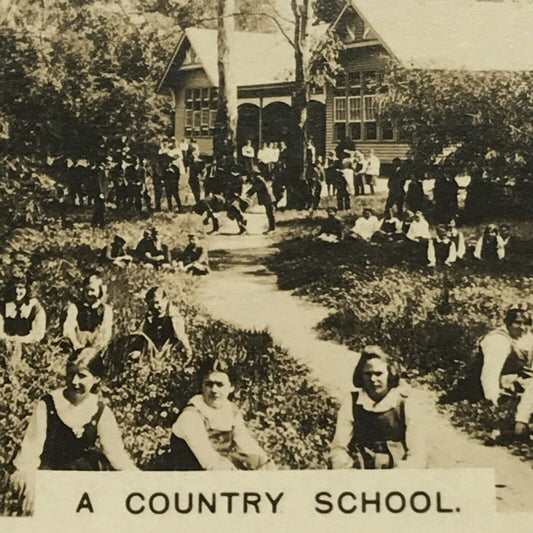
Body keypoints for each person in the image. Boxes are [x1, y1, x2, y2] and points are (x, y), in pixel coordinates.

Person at [12, 348, 137, 512]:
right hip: (52, 476)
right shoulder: (48, 405)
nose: (74, 381)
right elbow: (30, 450)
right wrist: (30, 479)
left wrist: (137, 477)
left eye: (82, 376)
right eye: (71, 374)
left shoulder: (100, 410)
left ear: (96, 379)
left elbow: (116, 455)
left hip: (85, 479)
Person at [328, 346, 425, 469]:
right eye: (367, 374)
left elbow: (417, 453)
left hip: (396, 473)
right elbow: (339, 447)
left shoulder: (404, 403)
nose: (373, 379)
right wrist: (348, 470)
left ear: (390, 373)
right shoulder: (352, 402)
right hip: (358, 471)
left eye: (378, 374)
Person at [169, 358, 274, 470]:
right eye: (209, 384)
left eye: (220, 385)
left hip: (219, 468)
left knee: (261, 463)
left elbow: (245, 442)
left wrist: (264, 462)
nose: (214, 390)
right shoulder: (191, 416)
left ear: (231, 388)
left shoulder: (230, 411)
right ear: (202, 386)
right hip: (193, 473)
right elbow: (207, 458)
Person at [475, 305, 533, 405]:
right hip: (502, 384)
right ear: (508, 323)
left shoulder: (526, 335)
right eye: (517, 323)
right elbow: (490, 374)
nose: (523, 327)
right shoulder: (498, 340)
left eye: (527, 323)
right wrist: (493, 399)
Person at [0, 274, 46, 366]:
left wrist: (19, 340)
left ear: (27, 289)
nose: (17, 291)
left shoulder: (35, 307)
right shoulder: (3, 306)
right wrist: (8, 340)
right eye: (14, 288)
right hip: (5, 346)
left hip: (28, 347)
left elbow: (38, 335)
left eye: (21, 288)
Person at [134, 287, 192, 359]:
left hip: (168, 352)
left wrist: (188, 351)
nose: (155, 307)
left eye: (157, 302)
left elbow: (181, 336)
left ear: (165, 300)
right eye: (152, 305)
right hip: (155, 350)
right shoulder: (153, 314)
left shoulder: (173, 316)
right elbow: (143, 332)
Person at [62, 273, 113, 352]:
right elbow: (68, 329)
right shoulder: (75, 307)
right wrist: (76, 344)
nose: (89, 294)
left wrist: (98, 347)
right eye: (87, 290)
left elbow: (106, 333)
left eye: (92, 290)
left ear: (100, 291)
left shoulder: (106, 310)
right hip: (77, 347)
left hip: (97, 349)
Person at [246, 168, 276, 234]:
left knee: (270, 213)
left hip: (268, 198)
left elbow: (256, 188)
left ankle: (272, 229)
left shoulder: (258, 179)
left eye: (252, 174)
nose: (251, 176)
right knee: (269, 213)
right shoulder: (258, 179)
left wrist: (248, 193)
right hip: (267, 198)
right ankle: (271, 228)